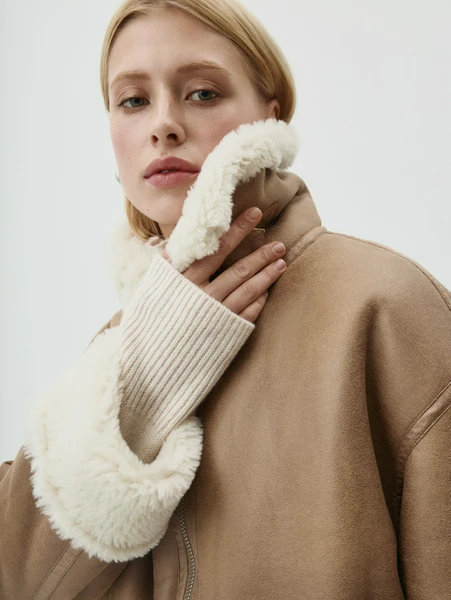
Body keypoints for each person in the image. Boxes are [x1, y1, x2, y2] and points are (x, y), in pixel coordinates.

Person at [1, 0, 450, 598]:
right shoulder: (118, 350)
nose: (163, 125)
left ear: (269, 115)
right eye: (133, 100)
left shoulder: (383, 305)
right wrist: (142, 387)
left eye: (203, 93)